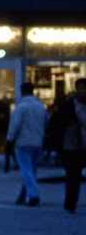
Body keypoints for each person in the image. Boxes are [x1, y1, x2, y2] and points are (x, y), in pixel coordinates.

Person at [5, 81, 48, 207]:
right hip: (38, 143)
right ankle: (22, 195)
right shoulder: (41, 107)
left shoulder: (21, 107)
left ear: (22, 91)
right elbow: (46, 123)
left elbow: (15, 126)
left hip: (23, 142)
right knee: (31, 170)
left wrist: (9, 140)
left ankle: (34, 195)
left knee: (26, 170)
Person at [48, 77, 86, 214]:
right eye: (80, 88)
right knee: (73, 177)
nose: (82, 92)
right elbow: (56, 124)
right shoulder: (68, 106)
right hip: (72, 146)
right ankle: (70, 203)